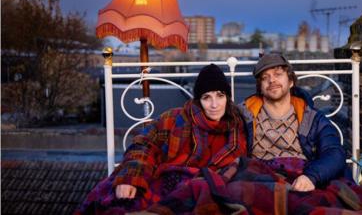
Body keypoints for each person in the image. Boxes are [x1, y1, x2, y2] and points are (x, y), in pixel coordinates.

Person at [77, 64, 247, 214]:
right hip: (168, 182)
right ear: (198, 100)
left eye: (220, 95)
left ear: (228, 97)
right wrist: (131, 178)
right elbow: (143, 145)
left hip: (208, 188)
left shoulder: (238, 126)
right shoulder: (175, 118)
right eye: (206, 97)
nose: (214, 104)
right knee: (115, 204)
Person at [238, 53, 349, 192]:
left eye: (277, 74)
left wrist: (311, 177)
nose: (271, 80)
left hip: (302, 179)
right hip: (261, 182)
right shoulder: (245, 116)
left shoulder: (311, 117)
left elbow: (334, 152)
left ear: (291, 81)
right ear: (260, 87)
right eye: (265, 78)